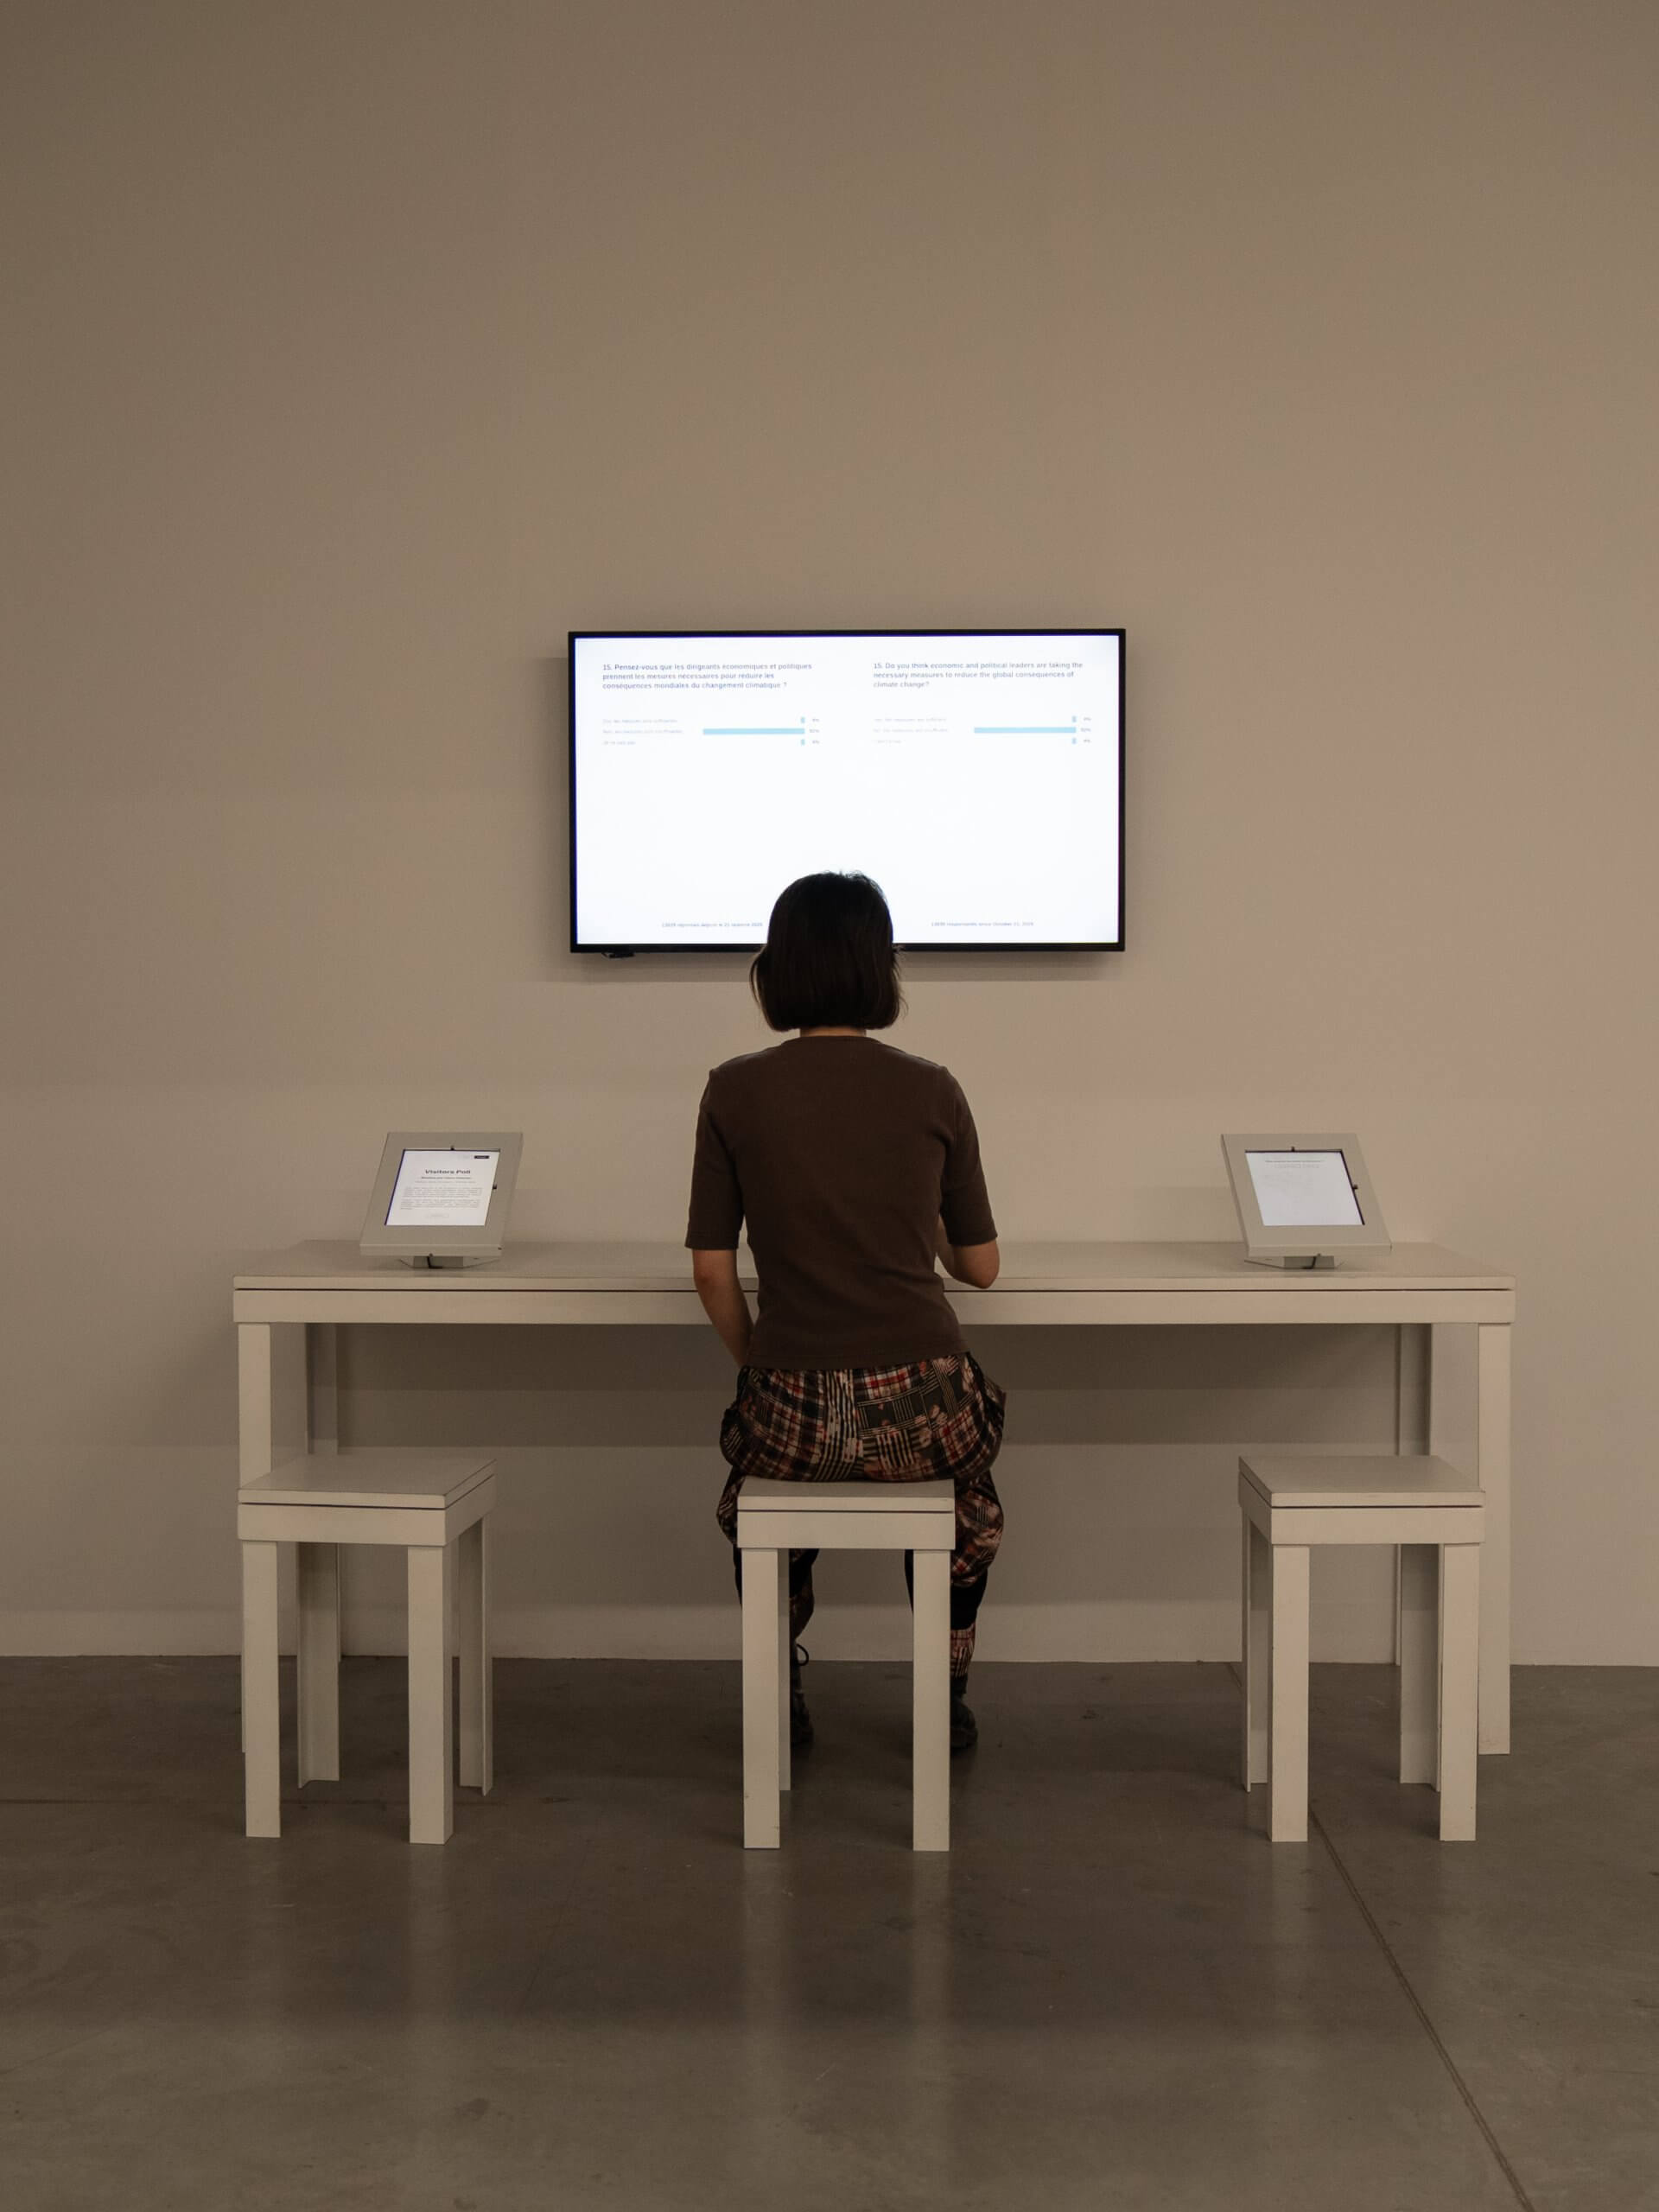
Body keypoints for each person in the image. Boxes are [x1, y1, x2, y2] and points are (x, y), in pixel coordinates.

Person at [684, 870, 1006, 1753]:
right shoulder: (933, 1088)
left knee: (764, 1491)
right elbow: (980, 1268)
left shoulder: (732, 1089)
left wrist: (763, 1359)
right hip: (924, 1403)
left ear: (774, 971)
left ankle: (781, 1683)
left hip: (790, 1401)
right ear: (884, 969)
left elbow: (713, 1270)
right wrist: (927, 1227)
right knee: (965, 1503)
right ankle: (947, 1688)